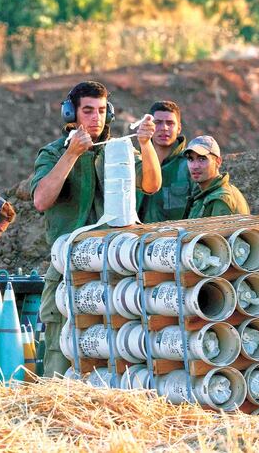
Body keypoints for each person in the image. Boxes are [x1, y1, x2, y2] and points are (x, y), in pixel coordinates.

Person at [31, 81, 161, 377]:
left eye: (102, 111)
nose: (96, 118)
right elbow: (41, 199)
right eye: (87, 111)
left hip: (113, 267)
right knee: (61, 357)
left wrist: (145, 144)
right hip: (68, 270)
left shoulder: (118, 152)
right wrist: (72, 155)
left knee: (113, 355)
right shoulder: (54, 153)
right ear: (71, 114)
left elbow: (152, 184)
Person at [138, 101, 191, 222]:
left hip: (176, 237)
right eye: (158, 123)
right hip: (138, 237)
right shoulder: (135, 164)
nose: (164, 128)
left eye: (170, 123)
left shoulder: (191, 165)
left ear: (179, 128)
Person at [184, 135, 250, 217]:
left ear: (218, 162)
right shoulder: (202, 193)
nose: (195, 166)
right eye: (191, 159)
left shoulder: (221, 199)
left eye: (202, 159)